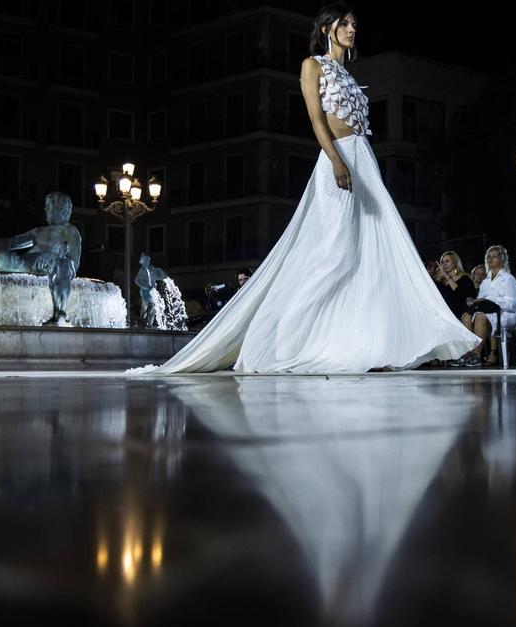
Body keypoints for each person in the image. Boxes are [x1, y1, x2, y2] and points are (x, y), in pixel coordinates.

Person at [133, 5, 477, 374]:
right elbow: (316, 118)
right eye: (344, 23)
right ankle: (284, 337)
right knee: (336, 252)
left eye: (354, 24)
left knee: (377, 250)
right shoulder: (312, 65)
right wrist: (335, 159)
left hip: (365, 160)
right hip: (339, 159)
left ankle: (364, 342)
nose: (351, 29)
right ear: (327, 28)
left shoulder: (347, 71)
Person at [456, 245, 516, 367]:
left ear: (502, 260)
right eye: (488, 256)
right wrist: (475, 301)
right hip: (489, 312)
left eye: (494, 256)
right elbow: (482, 303)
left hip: (508, 313)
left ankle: (476, 355)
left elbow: (511, 305)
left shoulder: (508, 279)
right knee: (466, 316)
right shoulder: (485, 282)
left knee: (480, 317)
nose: (490, 259)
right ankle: (468, 353)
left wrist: (488, 299)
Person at [432, 251, 476, 319]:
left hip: (463, 315)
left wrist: (447, 276)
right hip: (445, 316)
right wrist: (436, 280)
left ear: (455, 263)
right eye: (442, 262)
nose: (444, 264)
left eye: (447, 261)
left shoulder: (464, 278)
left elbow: (462, 295)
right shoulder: (440, 281)